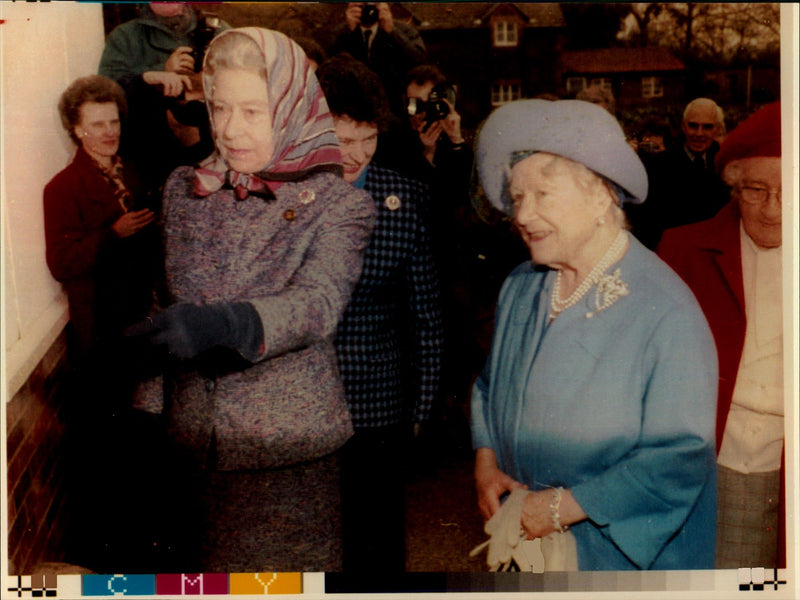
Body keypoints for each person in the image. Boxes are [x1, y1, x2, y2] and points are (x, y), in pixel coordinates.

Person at [127, 28, 375, 572]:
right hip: (189, 444)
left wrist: (231, 323)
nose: (231, 130)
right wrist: (146, 411)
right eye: (219, 108)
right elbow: (162, 303)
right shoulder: (180, 189)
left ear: (289, 108)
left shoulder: (338, 204)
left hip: (285, 452)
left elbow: (318, 303)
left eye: (252, 112)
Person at [470, 99, 718, 571]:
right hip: (530, 548)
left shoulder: (665, 309)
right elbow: (488, 387)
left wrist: (565, 506)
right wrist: (486, 459)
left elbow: (682, 456)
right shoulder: (522, 286)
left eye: (543, 194)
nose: (522, 215)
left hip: (621, 559)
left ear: (601, 195)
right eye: (518, 197)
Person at [316, 52, 444, 572]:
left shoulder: (404, 198)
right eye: (342, 140)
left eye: (367, 139)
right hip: (302, 404)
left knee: (377, 544)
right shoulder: (286, 197)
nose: (356, 155)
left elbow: (427, 319)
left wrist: (423, 408)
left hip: (376, 406)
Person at [43, 74, 164, 572]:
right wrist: (112, 233)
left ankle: (142, 552)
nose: (110, 131)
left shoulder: (132, 174)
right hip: (100, 343)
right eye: (98, 124)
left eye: (114, 121)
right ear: (76, 130)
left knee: (142, 452)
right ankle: (114, 561)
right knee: (107, 459)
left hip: (142, 333)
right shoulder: (63, 187)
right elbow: (61, 261)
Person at [658, 102, 784, 569]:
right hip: (721, 467)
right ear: (733, 186)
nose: (773, 210)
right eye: (755, 190)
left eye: (788, 192)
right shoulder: (683, 252)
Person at [99, 2, 226, 192]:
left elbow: (251, 73)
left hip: (214, 161)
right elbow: (104, 91)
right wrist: (157, 72)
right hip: (150, 165)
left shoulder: (216, 28)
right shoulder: (125, 37)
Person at [631, 97, 728, 249]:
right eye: (693, 126)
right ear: (683, 126)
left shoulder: (726, 165)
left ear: (717, 129)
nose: (699, 133)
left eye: (707, 127)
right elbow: (645, 224)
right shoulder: (657, 166)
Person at [329, 2, 427, 119]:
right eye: (363, 7)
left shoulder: (404, 31)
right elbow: (332, 68)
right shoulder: (339, 34)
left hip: (394, 112)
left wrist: (392, 33)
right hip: (354, 112)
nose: (369, 12)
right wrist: (352, 34)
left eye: (373, 6)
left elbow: (420, 63)